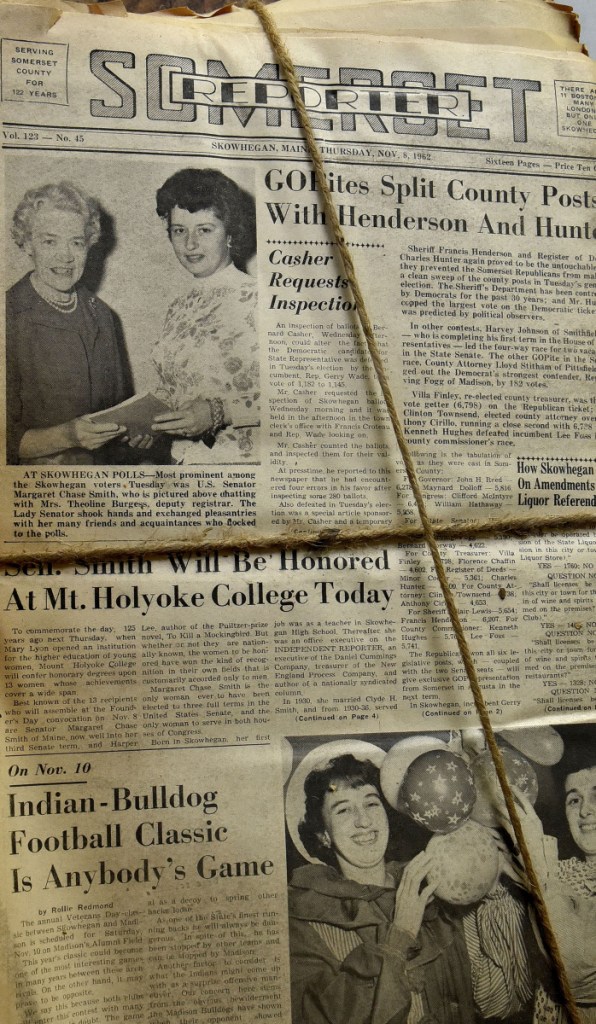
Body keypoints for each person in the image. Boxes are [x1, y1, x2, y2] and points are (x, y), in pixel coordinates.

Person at [288, 753, 477, 1024]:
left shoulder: (433, 886)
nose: (364, 821)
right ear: (324, 835)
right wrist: (400, 937)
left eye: (371, 803)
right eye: (343, 810)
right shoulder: (305, 920)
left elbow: (492, 1000)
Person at [6, 181, 133, 465]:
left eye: (76, 242)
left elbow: (119, 411)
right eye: (49, 241)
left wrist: (134, 432)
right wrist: (66, 436)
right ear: (27, 244)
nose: (65, 256)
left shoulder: (102, 315)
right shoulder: (9, 316)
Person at [151, 168, 259, 464]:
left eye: (204, 230)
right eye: (179, 230)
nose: (190, 244)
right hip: (183, 464)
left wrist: (219, 413)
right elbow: (177, 389)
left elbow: (299, 401)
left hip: (242, 469)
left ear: (230, 233)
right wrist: (151, 423)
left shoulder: (257, 298)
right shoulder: (179, 307)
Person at [511, 736, 596, 1022]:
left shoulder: (547, 872)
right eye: (574, 799)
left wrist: (540, 873)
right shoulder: (559, 869)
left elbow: (576, 970)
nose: (585, 810)